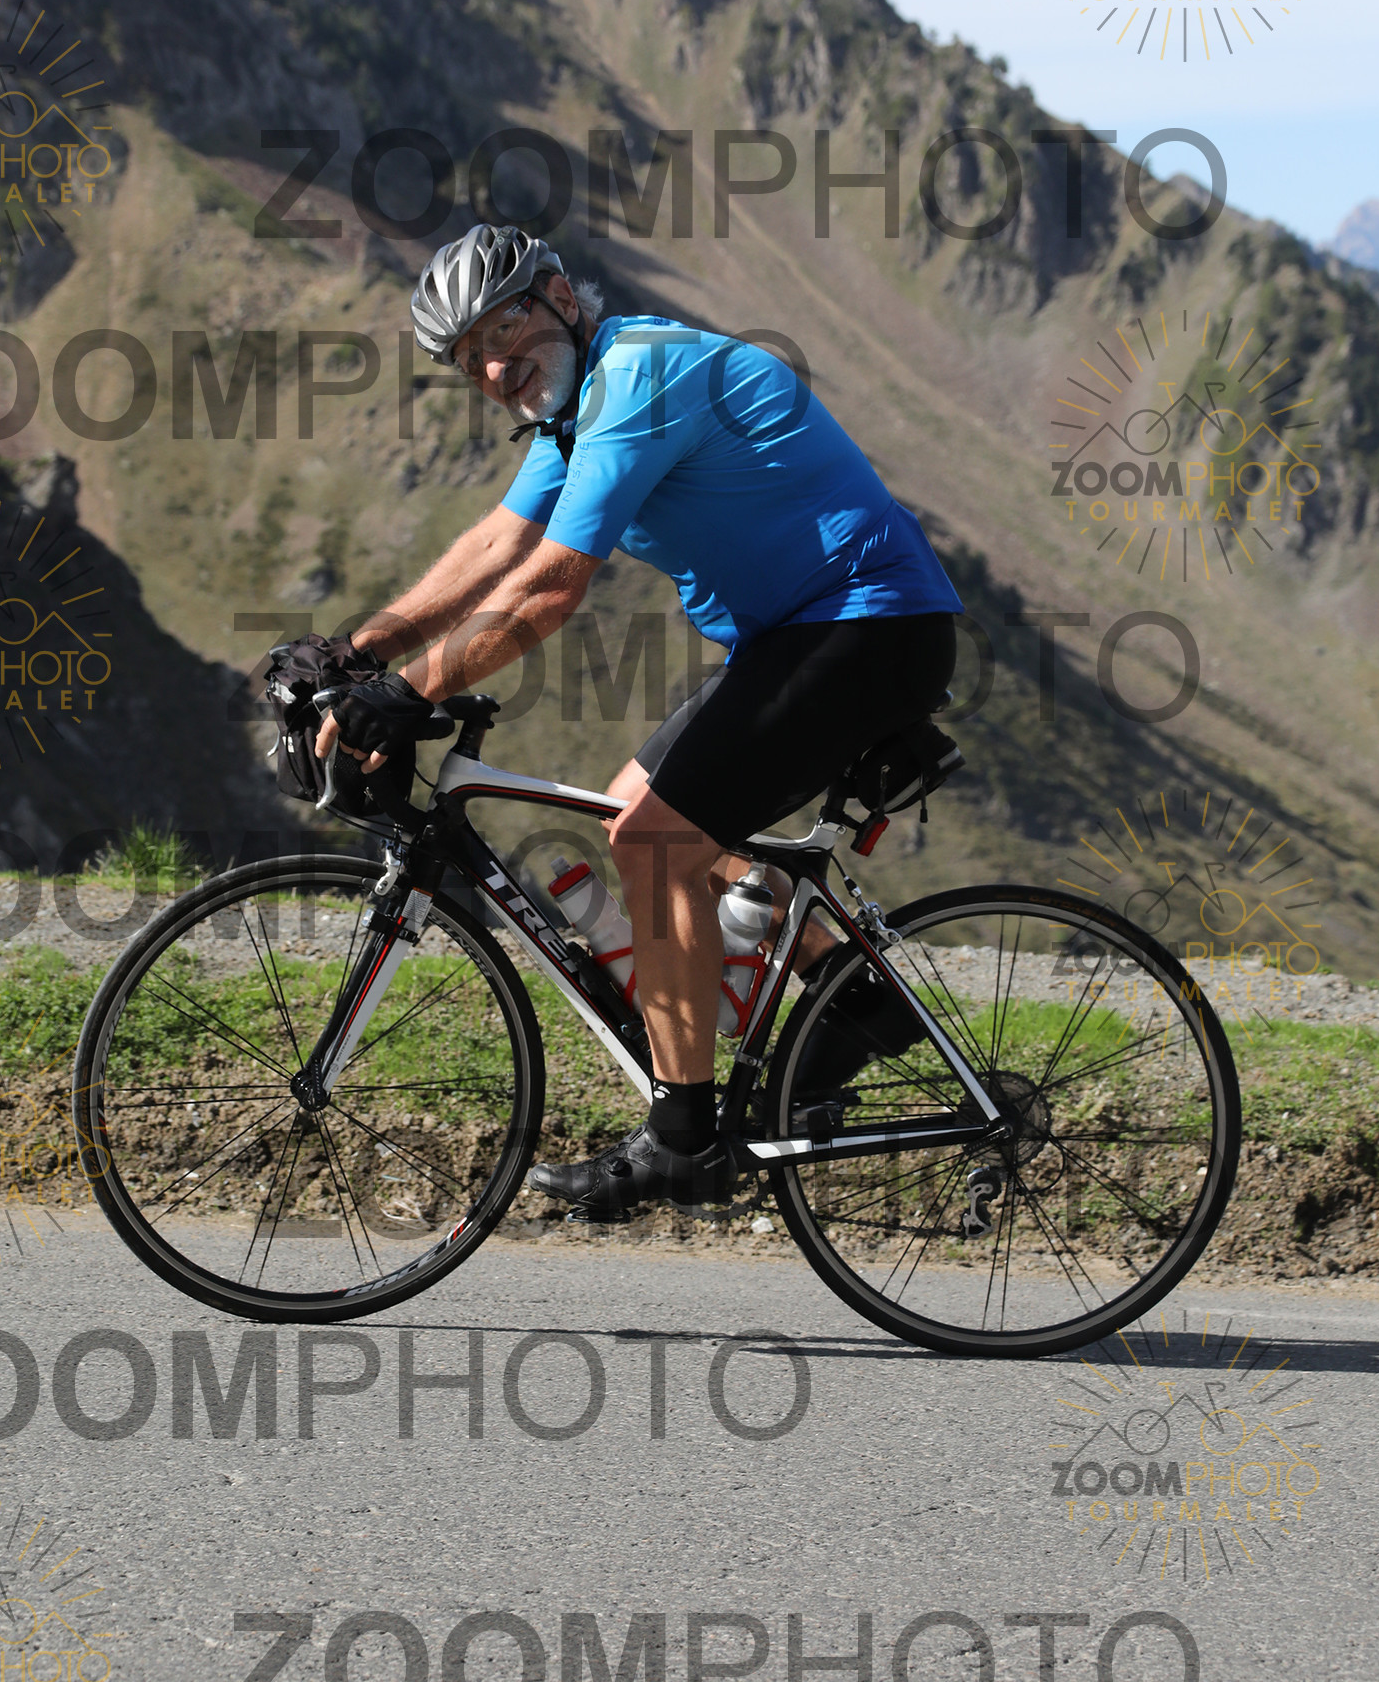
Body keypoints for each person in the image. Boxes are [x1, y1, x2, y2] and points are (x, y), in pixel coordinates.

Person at [314, 223, 963, 1218]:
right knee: (634, 808)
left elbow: (549, 588)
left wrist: (408, 694)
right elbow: (497, 547)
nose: (495, 368)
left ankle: (682, 1139)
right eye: (469, 357)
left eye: (504, 331)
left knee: (654, 844)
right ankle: (854, 995)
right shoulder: (575, 412)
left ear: (561, 298)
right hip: (803, 636)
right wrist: (353, 654)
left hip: (867, 626)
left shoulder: (638, 379)